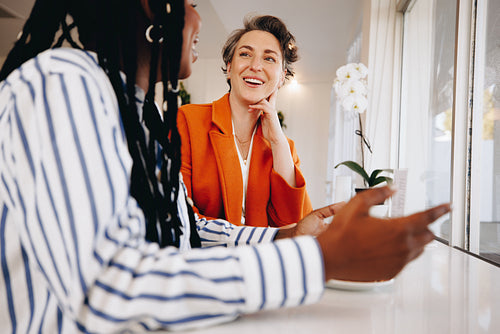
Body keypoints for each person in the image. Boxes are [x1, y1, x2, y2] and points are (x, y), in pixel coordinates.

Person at [0, 0, 451, 332]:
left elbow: (189, 227)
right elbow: (105, 288)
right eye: (192, 3)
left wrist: (288, 234)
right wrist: (319, 259)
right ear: (151, 9)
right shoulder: (61, 83)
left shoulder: (137, 117)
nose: (197, 17)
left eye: (270, 59)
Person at [178, 15, 312, 227]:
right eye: (245, 54)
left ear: (281, 77)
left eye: (269, 58)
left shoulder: (285, 148)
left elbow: (294, 227)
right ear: (229, 68)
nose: (255, 65)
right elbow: (180, 214)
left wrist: (277, 142)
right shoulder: (188, 120)